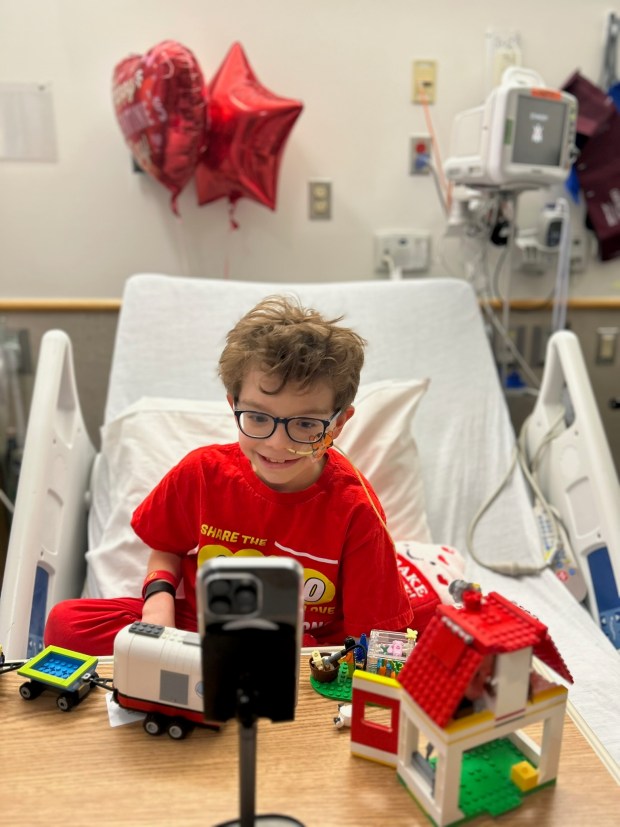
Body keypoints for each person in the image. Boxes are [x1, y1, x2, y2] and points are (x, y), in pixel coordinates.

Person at [44, 296, 414, 655]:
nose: (277, 443)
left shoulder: (355, 510)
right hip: (201, 629)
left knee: (411, 641)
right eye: (257, 417)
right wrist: (159, 606)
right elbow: (166, 545)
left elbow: (376, 636)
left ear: (338, 424)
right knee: (67, 624)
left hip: (307, 649)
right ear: (233, 406)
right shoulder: (203, 474)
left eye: (304, 424)